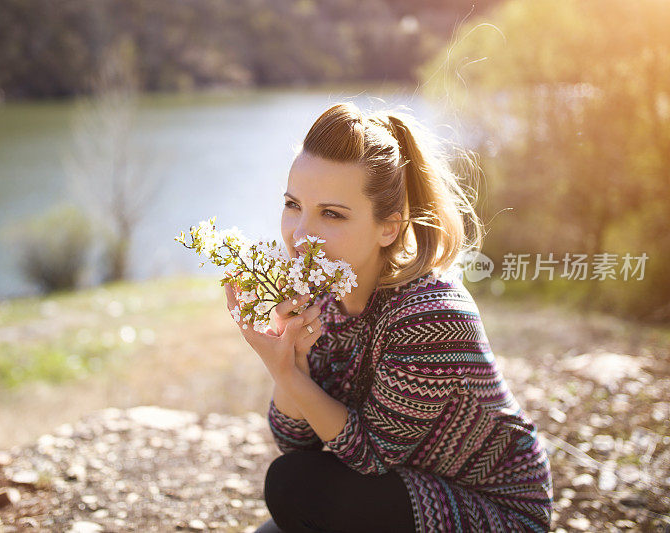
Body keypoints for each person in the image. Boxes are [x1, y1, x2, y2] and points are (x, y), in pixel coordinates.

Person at [224, 101, 554, 532]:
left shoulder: (430, 316)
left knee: (292, 490)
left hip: (493, 510)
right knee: (286, 507)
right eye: (293, 205)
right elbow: (296, 441)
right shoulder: (324, 299)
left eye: (331, 213)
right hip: (406, 487)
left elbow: (369, 455)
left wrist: (285, 374)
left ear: (389, 227)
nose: (300, 233)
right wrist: (292, 357)